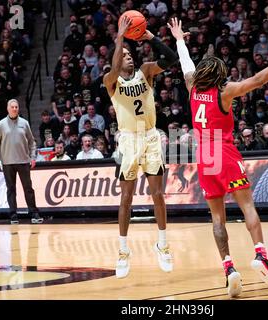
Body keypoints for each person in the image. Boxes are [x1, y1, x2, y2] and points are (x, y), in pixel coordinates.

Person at [168, 17, 268, 297]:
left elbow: (186, 63)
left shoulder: (192, 86)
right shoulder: (224, 92)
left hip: (204, 158)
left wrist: (180, 39)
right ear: (218, 76)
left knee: (217, 219)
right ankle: (261, 255)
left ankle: (228, 267)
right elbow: (258, 79)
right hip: (225, 152)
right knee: (247, 208)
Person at [103, 15, 177, 279]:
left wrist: (151, 38)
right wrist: (119, 38)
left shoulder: (145, 71)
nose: (129, 57)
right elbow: (112, 69)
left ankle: (163, 244)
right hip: (128, 140)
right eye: (124, 55)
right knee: (126, 198)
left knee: (158, 195)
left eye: (129, 54)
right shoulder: (111, 81)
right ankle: (123, 251)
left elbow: (171, 60)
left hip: (150, 136)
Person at [0, 99, 43, 224]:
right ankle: (13, 214)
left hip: (24, 161)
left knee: (28, 188)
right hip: (7, 162)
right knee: (11, 189)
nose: (15, 109)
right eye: (12, 107)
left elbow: (32, 142)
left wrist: (33, 157)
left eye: (16, 107)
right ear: (8, 109)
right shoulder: (1, 124)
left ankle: (34, 213)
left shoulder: (24, 123)